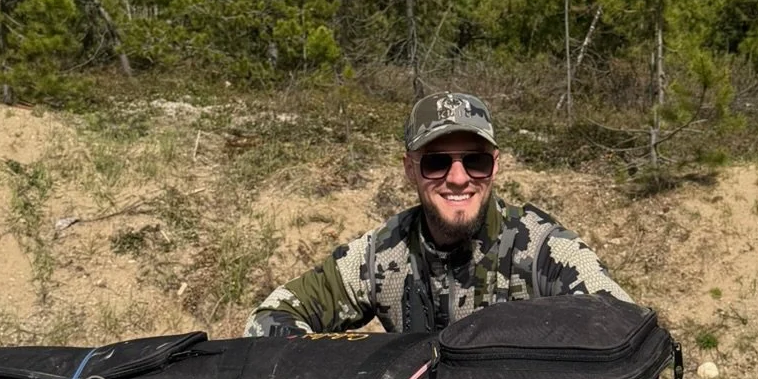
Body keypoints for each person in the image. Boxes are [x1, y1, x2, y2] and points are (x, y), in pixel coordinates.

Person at [245, 91, 631, 338]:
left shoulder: (546, 251)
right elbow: (269, 317)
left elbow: (623, 329)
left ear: (495, 166)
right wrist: (340, 371)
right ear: (410, 169)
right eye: (436, 163)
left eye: (475, 161)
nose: (459, 178)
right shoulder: (382, 254)